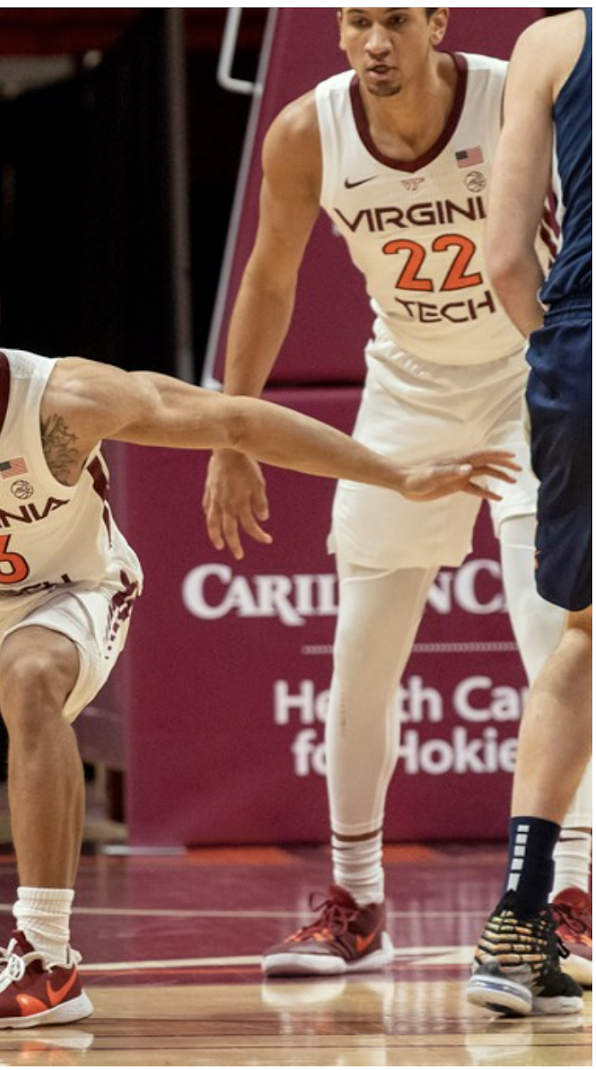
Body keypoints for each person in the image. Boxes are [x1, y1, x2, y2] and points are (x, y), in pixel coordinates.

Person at [0, 251, 516, 1030]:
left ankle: (47, 960)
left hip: (74, 591)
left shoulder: (62, 401)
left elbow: (235, 420)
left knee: (29, 669)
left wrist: (397, 473)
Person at [202, 7, 591, 980]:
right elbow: (267, 275)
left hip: (521, 377)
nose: (374, 42)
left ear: (435, 22)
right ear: (338, 29)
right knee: (361, 656)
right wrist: (231, 427)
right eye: (356, 21)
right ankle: (355, 899)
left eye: (394, 21)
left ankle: (573, 896)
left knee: (557, 639)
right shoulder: (307, 130)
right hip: (406, 385)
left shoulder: (514, 88)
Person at [465, 8, 591, 1019]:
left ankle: (516, 921)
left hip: (579, 357)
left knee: (583, 641)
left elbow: (505, 257)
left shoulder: (549, 42)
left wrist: (561, 349)